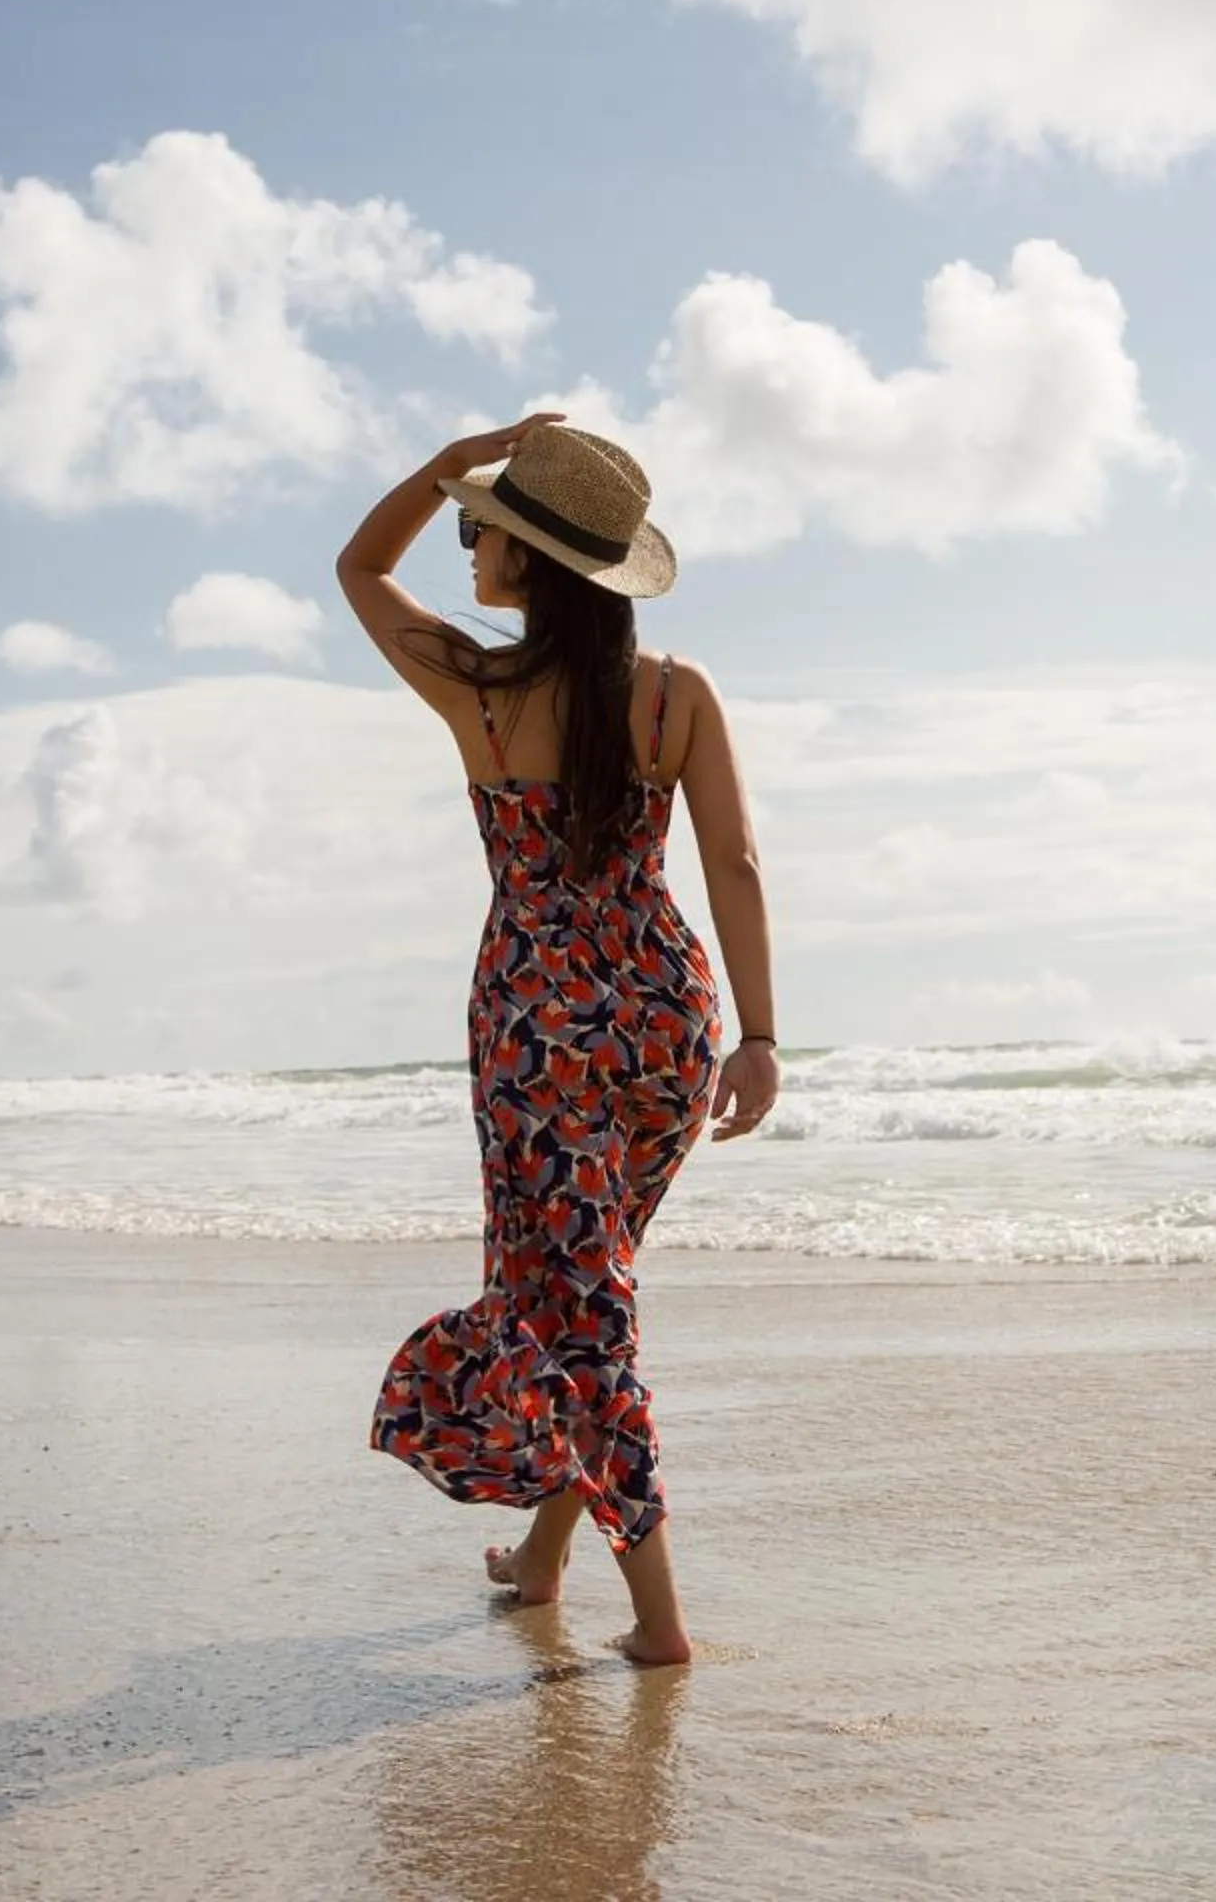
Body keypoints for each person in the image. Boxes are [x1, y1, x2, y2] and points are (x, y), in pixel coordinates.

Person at [337, 413, 780, 1667]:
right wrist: (757, 1033)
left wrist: (444, 461)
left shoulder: (478, 689)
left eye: (483, 531)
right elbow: (734, 863)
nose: (469, 548)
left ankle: (660, 1624)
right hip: (661, 1018)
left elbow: (359, 571)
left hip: (538, 1021)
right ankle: (540, 1561)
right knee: (586, 1286)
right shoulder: (674, 695)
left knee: (586, 1310)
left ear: (531, 562)